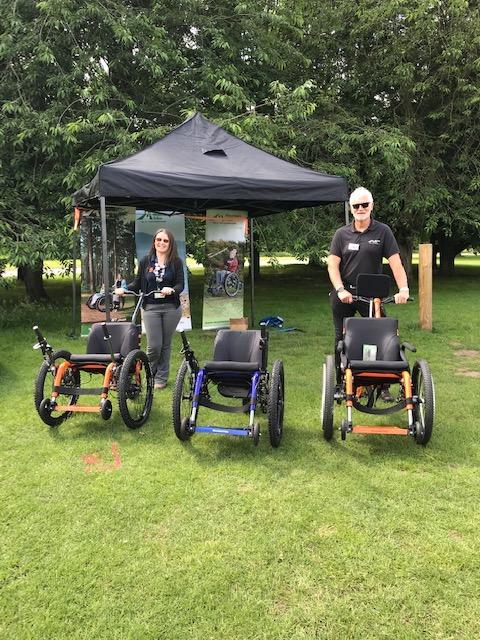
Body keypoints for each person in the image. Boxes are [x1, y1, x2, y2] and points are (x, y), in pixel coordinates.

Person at [327, 187, 409, 392]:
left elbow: (396, 264)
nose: (360, 208)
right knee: (341, 339)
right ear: (351, 208)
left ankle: (382, 386)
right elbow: (332, 265)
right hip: (345, 293)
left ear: (371, 206)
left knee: (382, 335)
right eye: (356, 206)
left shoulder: (383, 231)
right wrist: (340, 290)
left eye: (365, 204)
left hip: (372, 296)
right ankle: (340, 384)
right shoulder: (341, 234)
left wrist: (403, 289)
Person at [115, 228, 185, 390]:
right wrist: (125, 290)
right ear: (154, 242)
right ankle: (149, 373)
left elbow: (180, 284)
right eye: (158, 239)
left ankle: (161, 377)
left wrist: (172, 289)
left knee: (165, 345)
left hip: (171, 308)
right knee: (154, 346)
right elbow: (138, 282)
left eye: (165, 240)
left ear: (170, 244)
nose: (161, 243)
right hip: (150, 307)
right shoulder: (146, 261)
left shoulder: (176, 262)